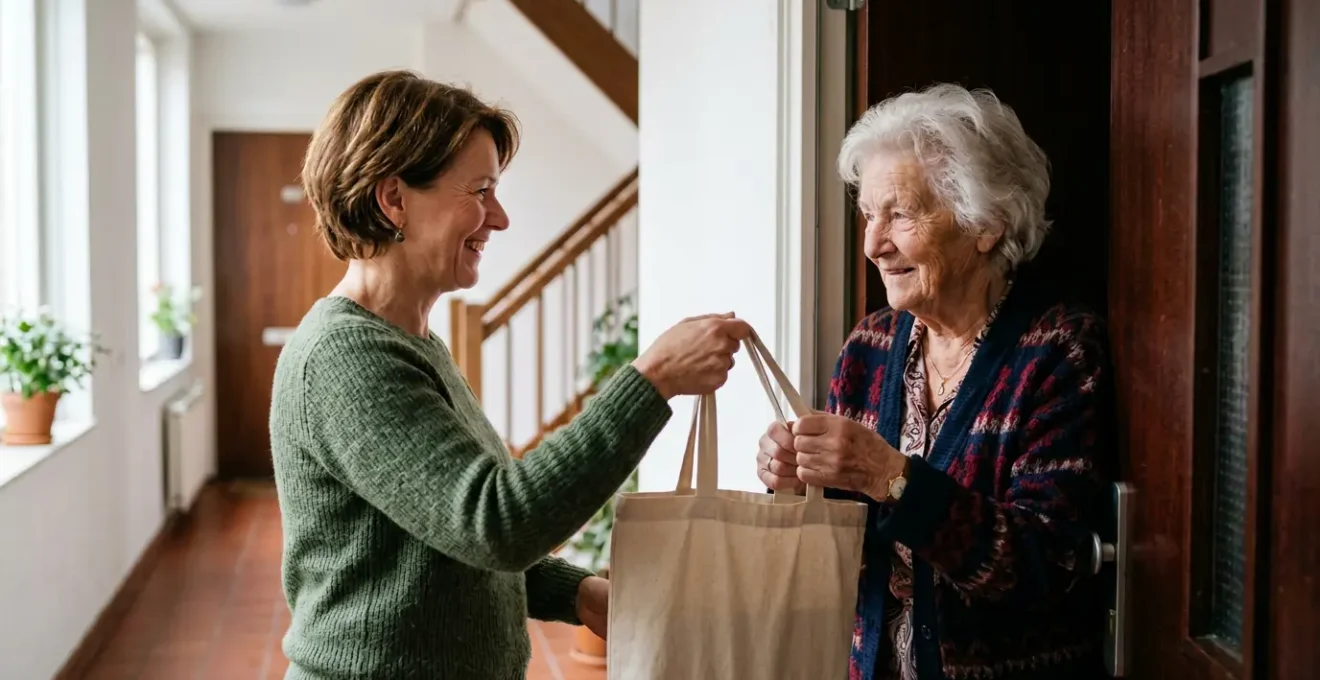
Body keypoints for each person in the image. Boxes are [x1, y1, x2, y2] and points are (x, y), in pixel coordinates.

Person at [270, 70, 750, 680]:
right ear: (394, 199)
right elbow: (496, 523)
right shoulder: (346, 359)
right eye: (480, 190)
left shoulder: (412, 343)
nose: (498, 218)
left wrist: (578, 593)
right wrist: (651, 379)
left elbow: (441, 537)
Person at [757, 84, 1110, 680]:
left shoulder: (1057, 351)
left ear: (987, 224)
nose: (873, 243)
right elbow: (837, 547)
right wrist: (795, 480)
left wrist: (890, 478)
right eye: (869, 214)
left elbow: (1047, 562)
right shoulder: (869, 347)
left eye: (900, 213)